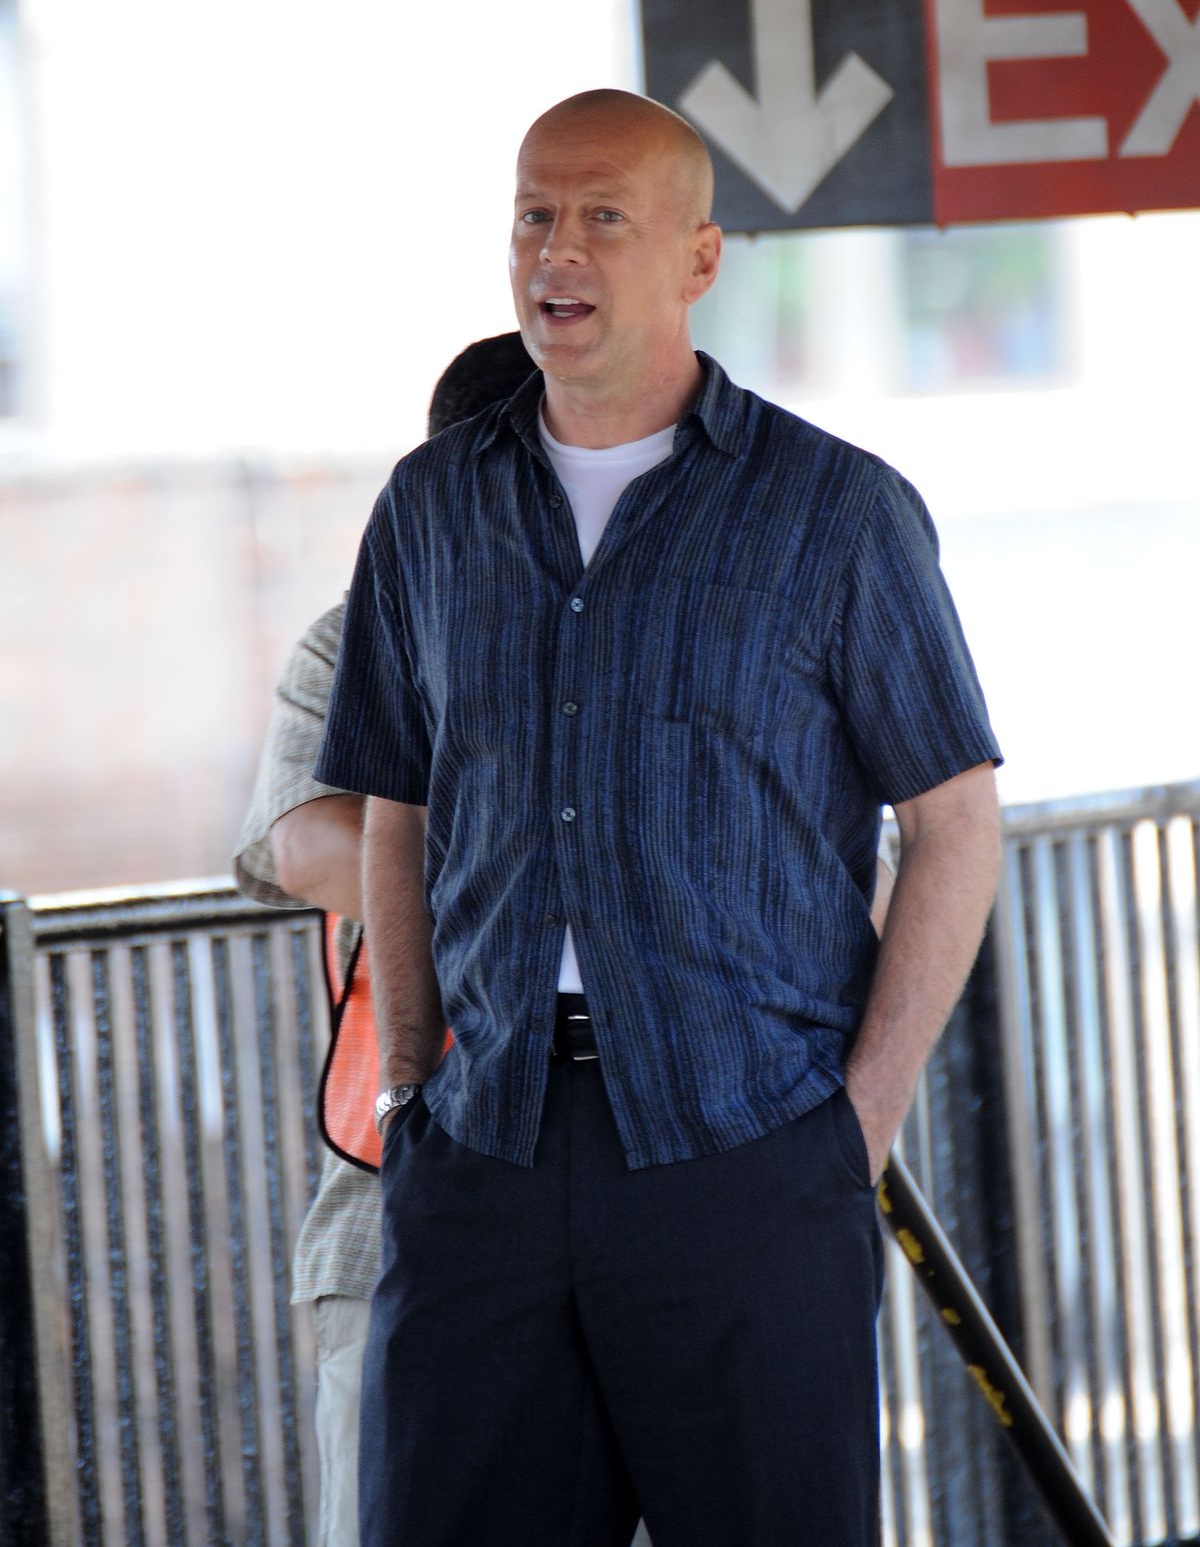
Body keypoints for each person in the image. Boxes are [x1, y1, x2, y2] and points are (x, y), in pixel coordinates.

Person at [315, 88, 1003, 1547]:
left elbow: (954, 822)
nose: (557, 251)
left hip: (746, 1154)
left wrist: (857, 1126)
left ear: (698, 258)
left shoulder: (836, 512)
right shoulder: (431, 507)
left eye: (602, 219)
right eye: (534, 217)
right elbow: (397, 800)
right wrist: (416, 1085)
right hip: (484, 1160)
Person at [232, 330, 536, 1547]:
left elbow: (857, 870)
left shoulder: (702, 615)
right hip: (399, 1197)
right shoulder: (358, 634)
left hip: (662, 1191)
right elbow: (298, 841)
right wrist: (521, 828)